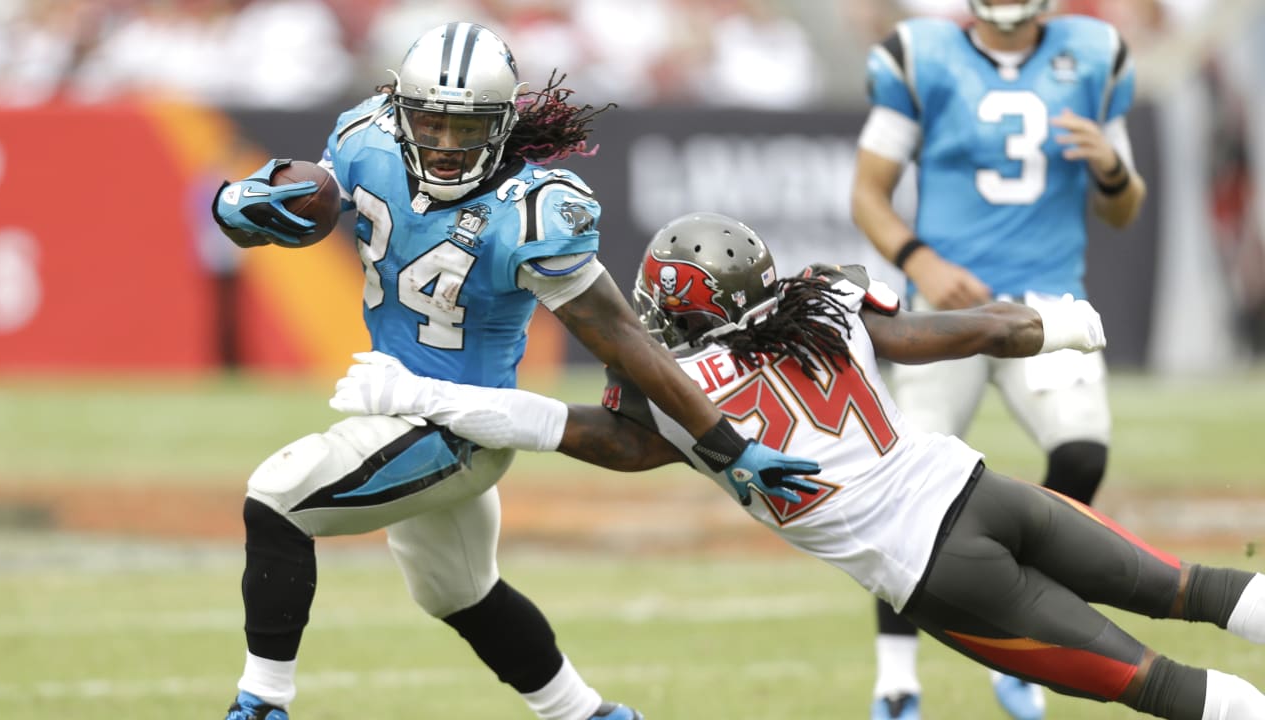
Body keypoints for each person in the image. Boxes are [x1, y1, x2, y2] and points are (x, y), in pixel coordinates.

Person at [330, 211, 1265, 720]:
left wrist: (426, 394)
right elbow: (949, 332)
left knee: (1148, 681)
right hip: (986, 491)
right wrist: (1049, 322)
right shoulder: (823, 298)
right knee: (1190, 587)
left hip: (936, 572)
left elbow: (548, 424)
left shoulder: (665, 392)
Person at [208, 24, 819, 720]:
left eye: (463, 128)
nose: (441, 144)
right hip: (393, 405)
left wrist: (728, 447)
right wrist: (237, 205)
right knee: (456, 591)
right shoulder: (365, 138)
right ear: (397, 111)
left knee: (278, 495)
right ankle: (590, 715)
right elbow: (297, 202)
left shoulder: (533, 212)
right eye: (428, 121)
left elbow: (623, 340)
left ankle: (261, 702)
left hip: (458, 426)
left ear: (502, 124)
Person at [850, 0, 1150, 717]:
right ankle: (896, 680)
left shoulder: (1093, 53)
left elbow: (1125, 207)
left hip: (1045, 303)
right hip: (947, 310)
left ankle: (1022, 634)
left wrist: (1111, 169)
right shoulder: (921, 55)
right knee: (903, 483)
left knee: (1082, 453)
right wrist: (920, 259)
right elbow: (869, 194)